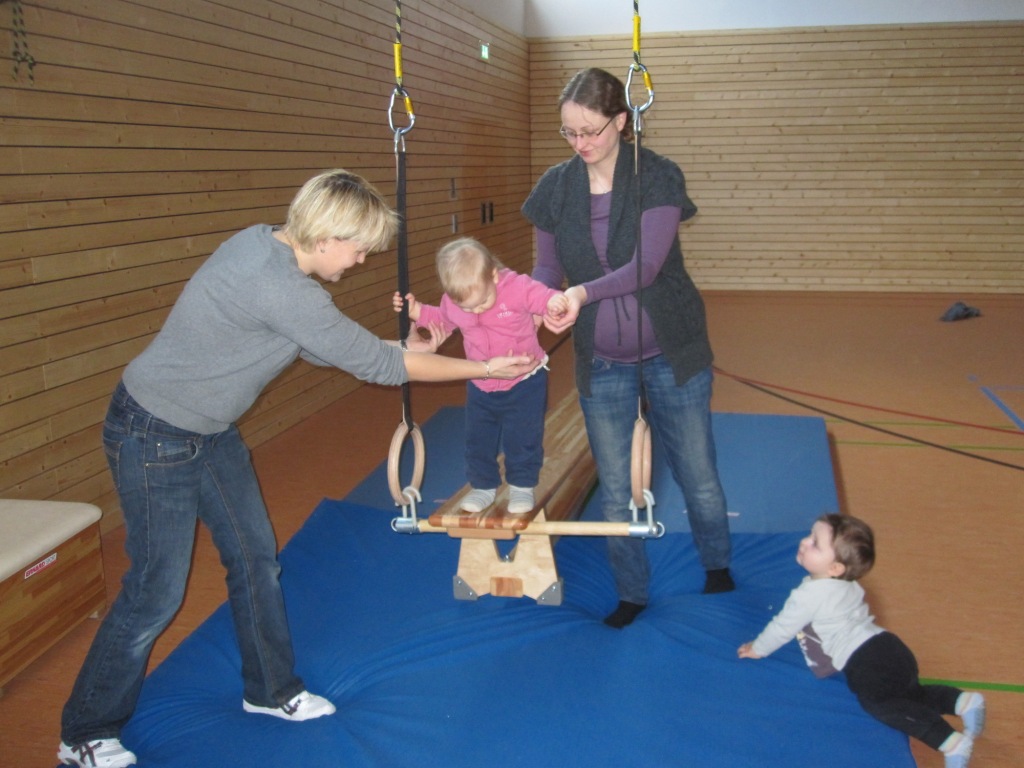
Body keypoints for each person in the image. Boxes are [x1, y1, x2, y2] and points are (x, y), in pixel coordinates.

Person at [58, 170, 538, 768]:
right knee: (156, 590)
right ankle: (84, 731)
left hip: (210, 432)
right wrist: (484, 367)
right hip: (154, 431)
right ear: (326, 236)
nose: (361, 260)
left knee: (256, 558)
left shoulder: (266, 245)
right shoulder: (281, 287)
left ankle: (269, 689)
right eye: (358, 248)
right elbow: (373, 364)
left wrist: (408, 348)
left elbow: (319, 344)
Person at [521, 67, 733, 628]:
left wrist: (581, 293)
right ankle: (631, 593)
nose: (579, 143)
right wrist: (541, 301)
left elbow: (646, 266)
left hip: (672, 350)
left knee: (698, 475)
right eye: (569, 132)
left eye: (590, 130)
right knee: (616, 489)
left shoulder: (656, 175)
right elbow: (547, 267)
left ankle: (717, 566)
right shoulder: (555, 187)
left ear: (620, 121)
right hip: (603, 361)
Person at [738, 514, 985, 768]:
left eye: (815, 543)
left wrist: (758, 648)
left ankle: (949, 741)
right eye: (810, 535)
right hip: (888, 644)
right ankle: (962, 701)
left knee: (883, 705)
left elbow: (783, 627)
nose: (804, 541)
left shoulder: (809, 595)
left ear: (835, 568)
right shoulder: (849, 583)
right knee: (910, 693)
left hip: (865, 661)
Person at [394, 237, 568, 514]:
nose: (476, 311)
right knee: (478, 439)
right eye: (467, 308)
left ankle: (522, 485)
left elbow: (543, 296)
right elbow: (442, 320)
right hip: (481, 384)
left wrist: (555, 302)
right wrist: (416, 311)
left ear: (494, 276)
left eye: (483, 302)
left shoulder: (516, 287)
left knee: (523, 438)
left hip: (525, 381)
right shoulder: (454, 302)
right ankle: (483, 486)